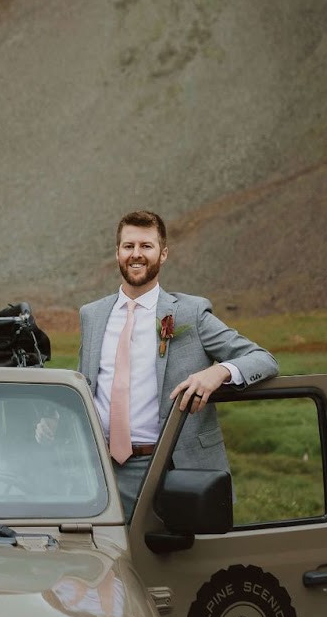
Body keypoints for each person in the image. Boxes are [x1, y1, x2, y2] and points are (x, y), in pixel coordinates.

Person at [78, 210, 278, 520]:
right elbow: (88, 385)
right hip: (99, 471)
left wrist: (220, 371)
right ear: (117, 252)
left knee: (174, 563)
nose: (136, 254)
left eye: (146, 246)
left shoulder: (190, 313)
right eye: (129, 246)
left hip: (170, 468)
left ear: (163, 253)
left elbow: (263, 359)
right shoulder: (92, 315)